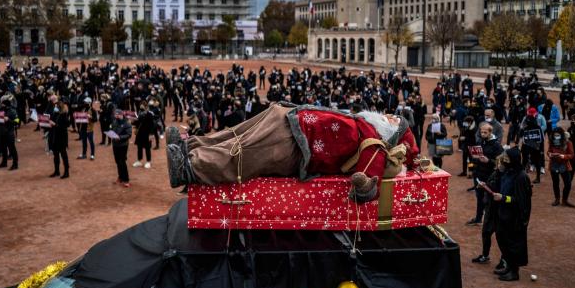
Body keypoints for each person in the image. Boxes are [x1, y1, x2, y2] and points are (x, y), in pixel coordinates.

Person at [166, 103, 419, 202]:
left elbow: (368, 180)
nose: (390, 116)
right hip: (290, 118)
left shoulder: (374, 143)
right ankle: (190, 146)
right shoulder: (362, 122)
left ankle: (190, 167)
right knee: (237, 134)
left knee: (246, 152)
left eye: (395, 121)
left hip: (297, 145)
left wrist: (364, 186)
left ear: (393, 136)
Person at [492, 148, 532, 281]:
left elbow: (520, 200)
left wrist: (503, 198)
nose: (504, 160)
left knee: (513, 244)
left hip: (514, 218)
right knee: (501, 238)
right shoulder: (507, 172)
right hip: (503, 213)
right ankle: (508, 266)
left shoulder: (521, 177)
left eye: (507, 159)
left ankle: (514, 272)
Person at [467, 123, 504, 225]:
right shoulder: (480, 142)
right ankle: (478, 219)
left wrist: (489, 161)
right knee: (479, 197)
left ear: (490, 132)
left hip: (489, 176)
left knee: (490, 198)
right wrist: (472, 168)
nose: (482, 134)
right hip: (478, 174)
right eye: (481, 132)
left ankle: (493, 219)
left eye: (485, 132)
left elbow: (501, 163)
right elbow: (473, 159)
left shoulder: (497, 146)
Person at [547, 127, 575, 207]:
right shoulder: (551, 141)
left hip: (564, 165)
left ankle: (565, 200)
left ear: (561, 135)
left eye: (558, 135)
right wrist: (549, 154)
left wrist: (563, 156)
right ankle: (557, 199)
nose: (556, 136)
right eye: (555, 135)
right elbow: (549, 151)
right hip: (554, 164)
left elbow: (572, 155)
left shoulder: (568, 142)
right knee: (555, 183)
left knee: (568, 184)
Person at [520, 107, 545, 183]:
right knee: (525, 161)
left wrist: (541, 149)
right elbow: (521, 136)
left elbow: (541, 139)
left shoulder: (537, 128)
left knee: (536, 162)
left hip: (535, 147)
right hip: (529, 147)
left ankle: (537, 177)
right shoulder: (527, 128)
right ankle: (524, 176)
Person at [110, 108, 133, 187]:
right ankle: (120, 177)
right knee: (117, 161)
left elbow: (129, 134)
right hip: (115, 144)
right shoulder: (114, 121)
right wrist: (111, 134)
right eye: (115, 114)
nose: (115, 116)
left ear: (121, 114)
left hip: (123, 145)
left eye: (117, 114)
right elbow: (112, 129)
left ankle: (126, 180)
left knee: (122, 162)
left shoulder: (127, 123)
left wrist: (120, 137)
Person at [0, 95, 19, 170]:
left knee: (12, 149)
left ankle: (15, 164)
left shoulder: (13, 111)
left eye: (3, 104)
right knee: (3, 148)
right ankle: (4, 162)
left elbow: (17, 121)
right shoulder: (2, 110)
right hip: (2, 132)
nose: (1, 105)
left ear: (6, 104)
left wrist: (8, 120)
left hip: (10, 133)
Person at [48, 100, 70, 179]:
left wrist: (55, 125)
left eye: (56, 106)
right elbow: (53, 123)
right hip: (55, 137)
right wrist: (50, 124)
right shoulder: (55, 114)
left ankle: (66, 172)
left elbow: (65, 126)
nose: (55, 108)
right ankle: (57, 171)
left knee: (64, 155)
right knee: (56, 155)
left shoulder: (64, 115)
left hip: (62, 138)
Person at [133, 100, 154, 169]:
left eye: (142, 105)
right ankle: (139, 160)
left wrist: (151, 134)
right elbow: (138, 122)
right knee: (139, 147)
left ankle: (148, 161)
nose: (141, 106)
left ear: (146, 106)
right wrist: (135, 127)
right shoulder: (139, 113)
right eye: (140, 104)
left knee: (147, 148)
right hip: (140, 133)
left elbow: (152, 125)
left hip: (147, 133)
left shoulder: (149, 114)